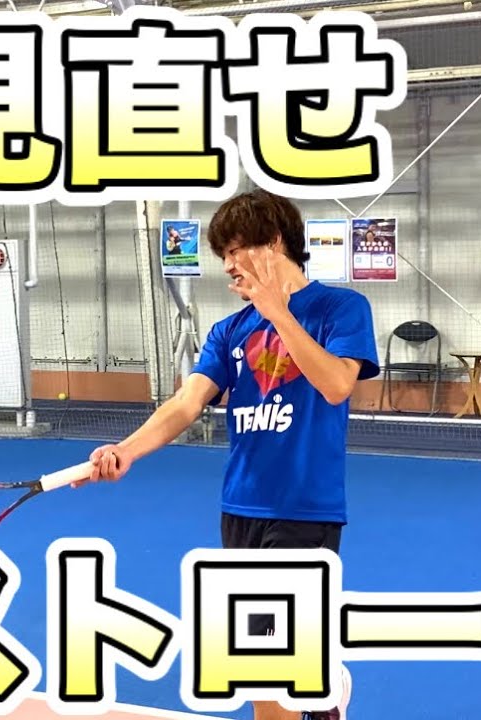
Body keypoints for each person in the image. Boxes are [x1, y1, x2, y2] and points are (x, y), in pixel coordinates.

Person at [80, 190, 379, 720]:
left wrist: (278, 313)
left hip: (304, 508)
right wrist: (126, 450)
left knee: (263, 661)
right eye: (223, 255)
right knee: (259, 646)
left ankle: (313, 687)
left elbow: (336, 385)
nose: (227, 266)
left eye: (237, 250)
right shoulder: (229, 331)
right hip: (240, 508)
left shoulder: (340, 308)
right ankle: (323, 691)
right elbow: (186, 402)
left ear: (275, 243)